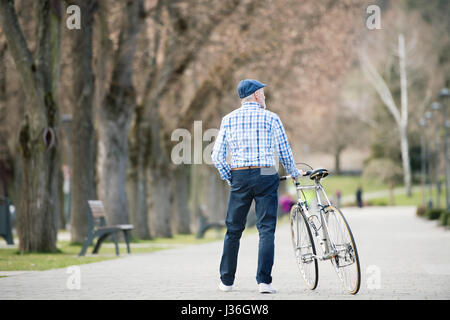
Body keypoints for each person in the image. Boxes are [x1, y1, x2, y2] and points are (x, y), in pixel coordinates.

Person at [211, 79, 300, 294]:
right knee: (266, 229)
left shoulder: (228, 119)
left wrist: (231, 178)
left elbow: (217, 156)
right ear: (257, 95)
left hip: (240, 174)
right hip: (266, 172)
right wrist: (294, 173)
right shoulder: (271, 118)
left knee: (233, 230)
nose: (265, 96)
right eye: (263, 93)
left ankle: (226, 282)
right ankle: (264, 282)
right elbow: (284, 151)